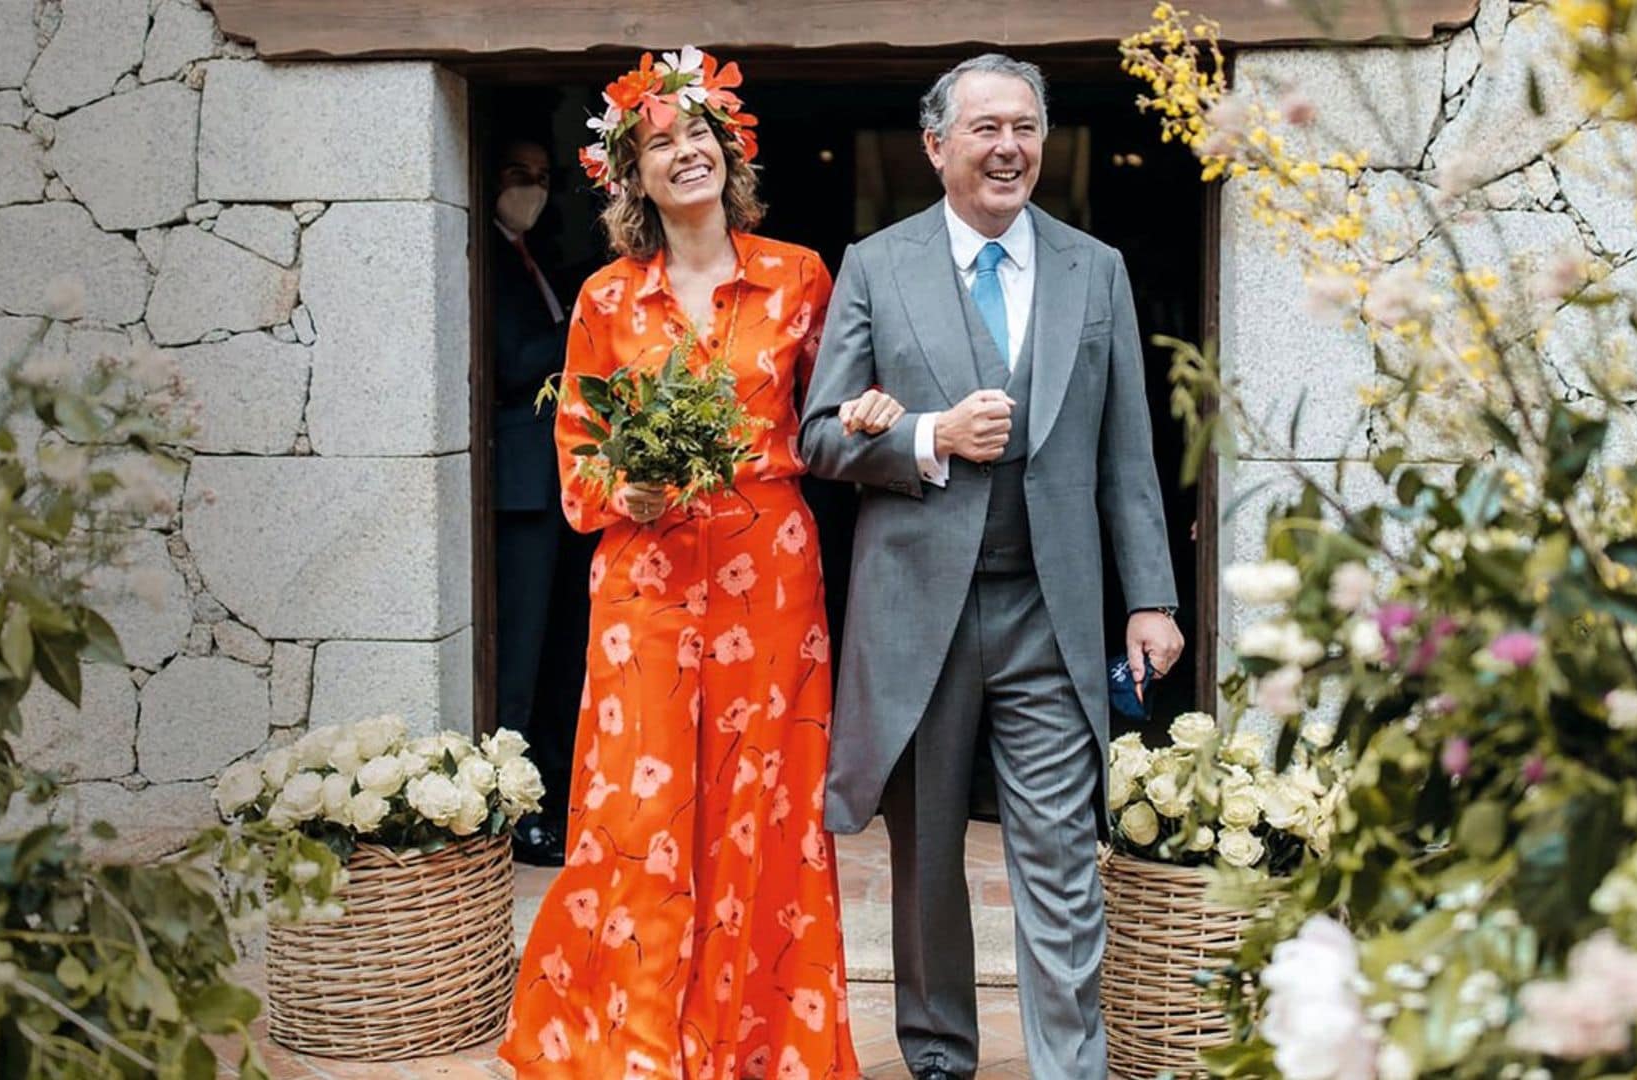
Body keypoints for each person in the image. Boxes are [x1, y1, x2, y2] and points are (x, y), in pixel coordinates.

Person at [501, 46, 894, 1079]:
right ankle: (639, 1045)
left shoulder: (802, 276)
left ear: (730, 150)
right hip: (646, 578)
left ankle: (760, 1045)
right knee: (640, 810)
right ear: (629, 176)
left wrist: (869, 412)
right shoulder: (603, 299)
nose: (685, 153)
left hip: (771, 576)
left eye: (698, 134)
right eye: (658, 143)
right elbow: (577, 443)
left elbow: (830, 423)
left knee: (763, 811)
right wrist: (617, 492)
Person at [798, 54, 1185, 1080]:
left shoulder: (1093, 269)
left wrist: (1149, 597)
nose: (1008, 146)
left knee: (1061, 858)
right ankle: (937, 1056)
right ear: (937, 148)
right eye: (985, 129)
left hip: (1048, 611)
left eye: (1025, 126)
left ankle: (1070, 1065)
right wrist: (929, 437)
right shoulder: (875, 265)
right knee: (925, 862)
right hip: (916, 611)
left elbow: (1126, 455)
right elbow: (821, 437)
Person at [488, 131, 595, 867]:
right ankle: (515, 811)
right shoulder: (491, 260)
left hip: (562, 487)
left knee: (563, 653)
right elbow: (515, 362)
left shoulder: (538, 261)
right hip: (522, 491)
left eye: (542, 175)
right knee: (521, 661)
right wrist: (583, 324)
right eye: (517, 173)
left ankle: (552, 799)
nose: (532, 186)